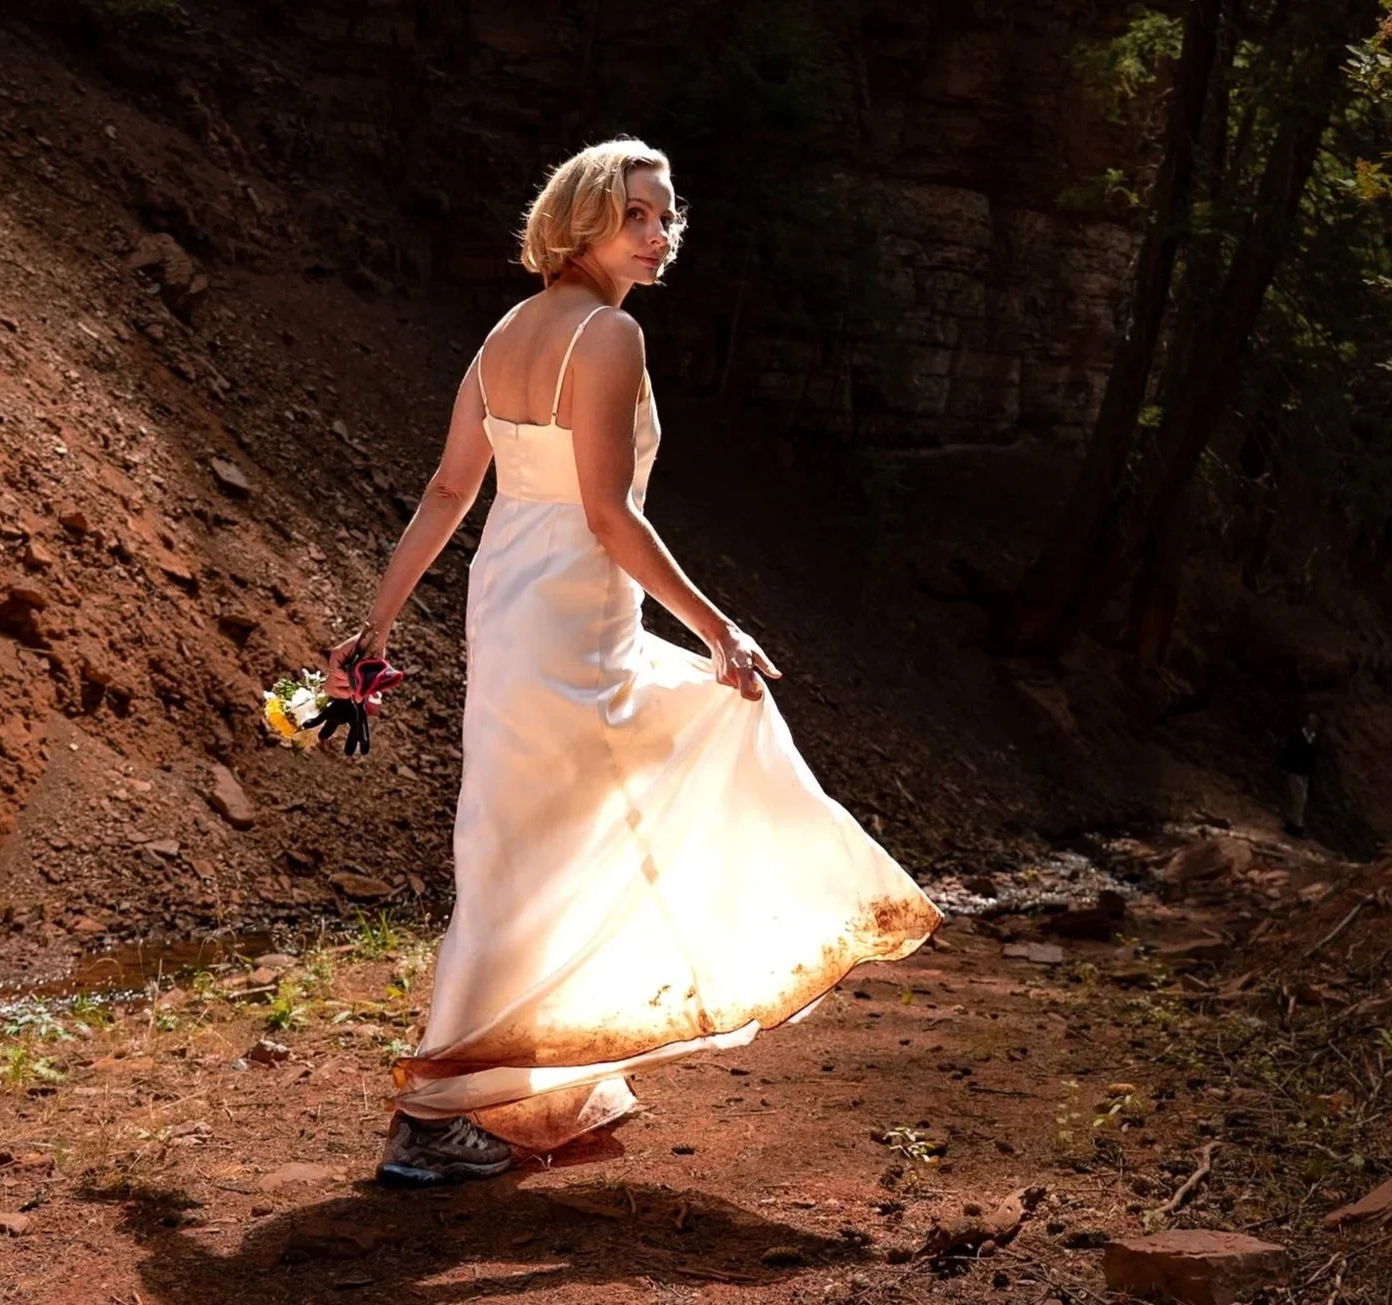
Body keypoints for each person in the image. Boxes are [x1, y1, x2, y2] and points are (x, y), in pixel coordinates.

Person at [326, 138, 943, 1188]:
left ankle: (506, 1085)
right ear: (581, 224)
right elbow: (611, 516)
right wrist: (719, 627)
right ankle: (432, 1111)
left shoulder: (505, 332)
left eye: (668, 215)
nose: (663, 234)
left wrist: (376, 625)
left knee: (529, 847)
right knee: (676, 746)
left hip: (519, 614)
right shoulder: (607, 337)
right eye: (639, 217)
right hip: (569, 625)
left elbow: (446, 495)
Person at [1278, 712, 1321, 838]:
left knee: (1300, 800)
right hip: (1294, 771)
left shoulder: (1313, 739)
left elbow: (1314, 758)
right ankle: (1297, 826)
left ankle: (1292, 823)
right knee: (1299, 799)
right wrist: (1285, 768)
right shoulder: (1297, 737)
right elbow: (1288, 752)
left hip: (1304, 774)